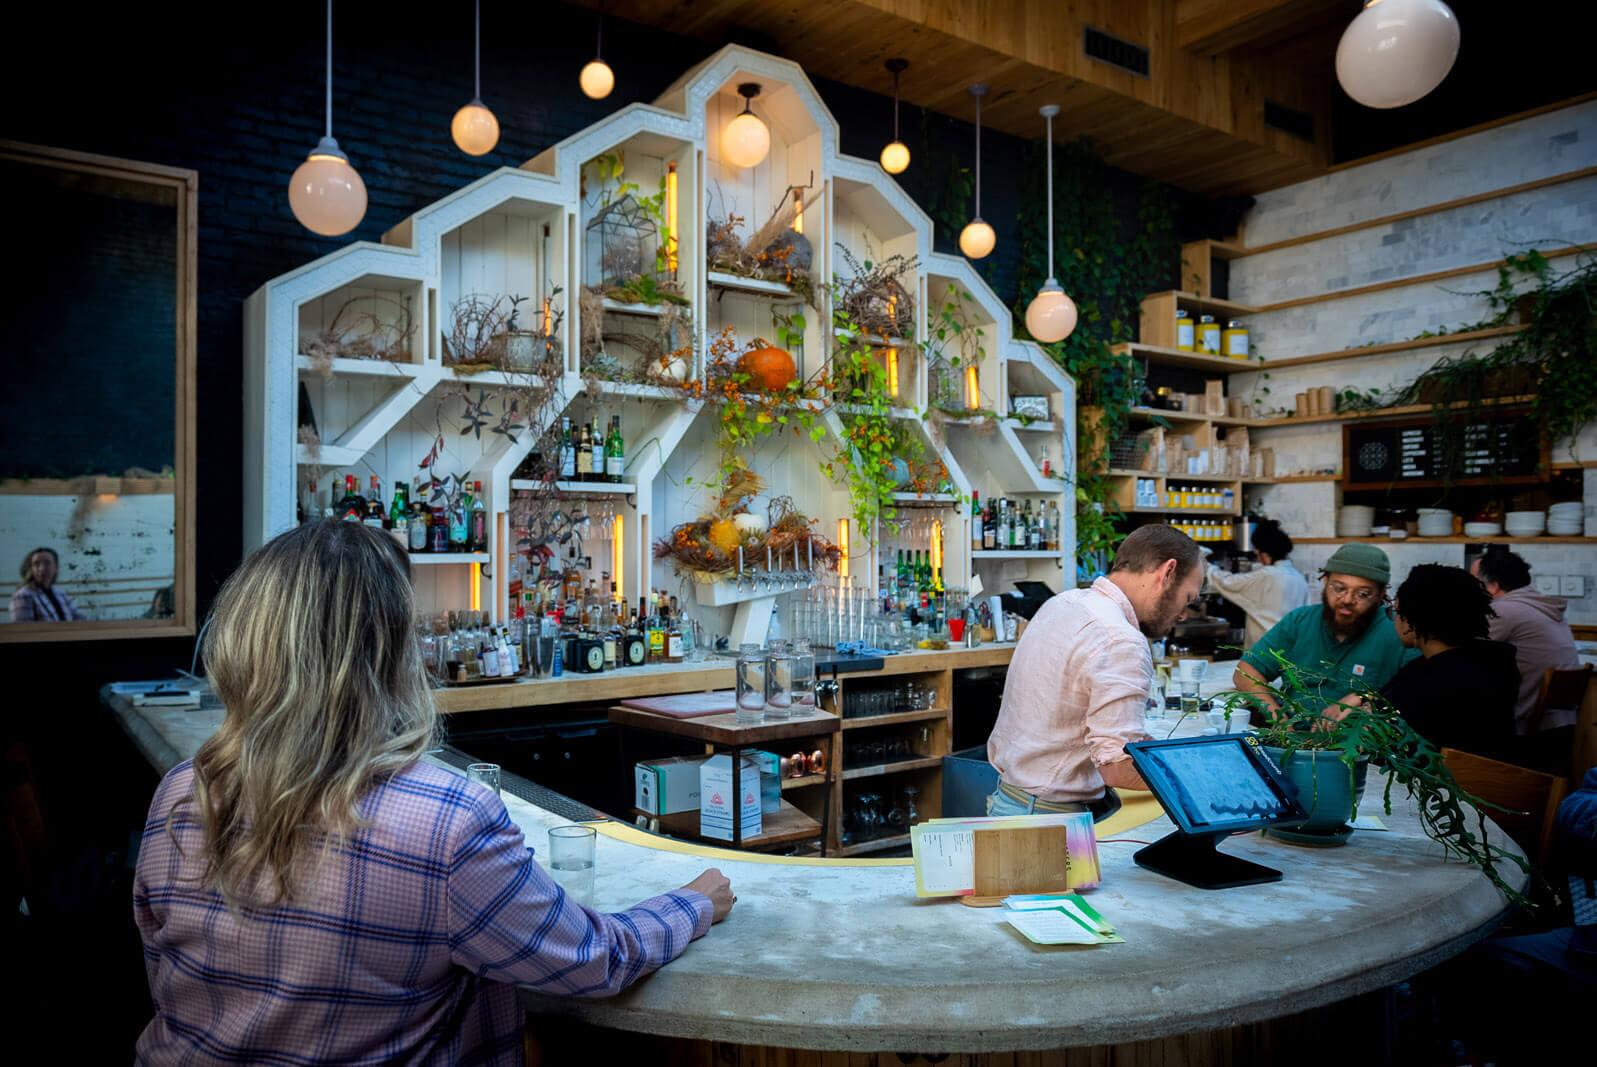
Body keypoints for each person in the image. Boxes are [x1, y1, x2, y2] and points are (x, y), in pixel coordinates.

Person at [133, 521, 734, 1065]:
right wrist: (694, 903)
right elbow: (591, 960)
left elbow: (168, 974)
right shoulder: (447, 821)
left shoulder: (181, 793)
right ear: (394, 648)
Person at [987, 524, 1205, 821]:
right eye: (1188, 598)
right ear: (1167, 573)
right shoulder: (1121, 640)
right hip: (1050, 820)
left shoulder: (1062, 603)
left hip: (1009, 800)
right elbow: (1116, 767)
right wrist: (1203, 778)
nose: (1183, 614)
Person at [1328, 564, 1519, 761]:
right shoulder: (1490, 661)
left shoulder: (1437, 680)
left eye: (1396, 611)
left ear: (1411, 621)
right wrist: (1365, 699)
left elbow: (1388, 739)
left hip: (1440, 785)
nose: (1394, 619)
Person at [1233, 543, 1416, 717]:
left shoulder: (1399, 631)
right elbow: (1246, 672)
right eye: (1339, 588)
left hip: (1361, 746)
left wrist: (1366, 699)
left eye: (1362, 594)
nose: (1347, 599)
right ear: (1325, 580)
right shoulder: (1300, 622)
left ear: (1381, 593)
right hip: (1292, 739)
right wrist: (1278, 719)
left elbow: (1423, 691)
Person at [1470, 547, 1581, 772]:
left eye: (1473, 582)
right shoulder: (1542, 606)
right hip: (1560, 726)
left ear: (1492, 586)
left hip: (1526, 732)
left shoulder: (1505, 610)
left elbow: (1462, 650)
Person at [1204, 517, 1313, 648]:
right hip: (1291, 650)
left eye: (1256, 549)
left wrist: (1205, 565)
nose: (1255, 553)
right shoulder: (1298, 578)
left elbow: (1228, 582)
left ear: (1264, 552)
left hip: (1265, 650)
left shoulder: (1267, 575)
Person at [8, 546, 88, 622]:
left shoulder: (61, 594)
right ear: (31, 569)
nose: (42, 568)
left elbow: (80, 619)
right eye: (36, 564)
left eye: (47, 563)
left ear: (56, 568)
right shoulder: (23, 596)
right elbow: (23, 631)